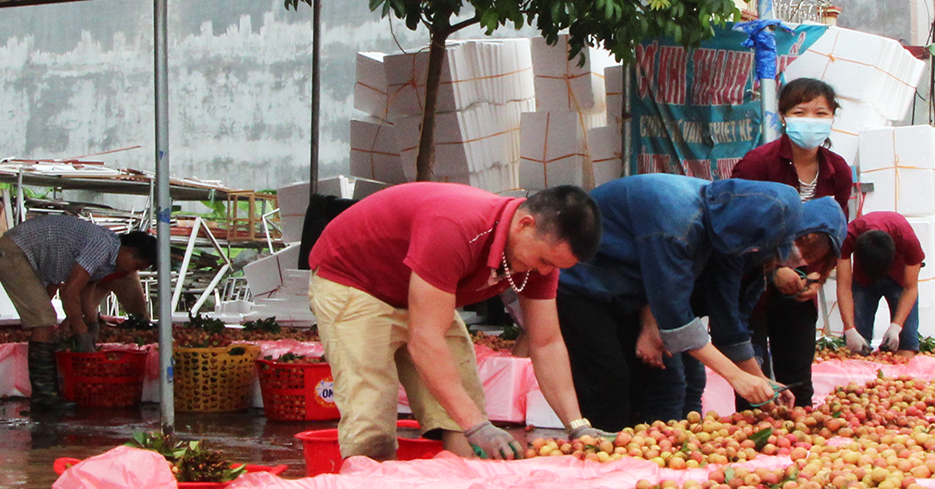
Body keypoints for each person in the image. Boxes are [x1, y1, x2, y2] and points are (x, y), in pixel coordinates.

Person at [308, 182, 605, 461]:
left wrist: (577, 426)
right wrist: (477, 426)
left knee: (465, 403)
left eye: (554, 266)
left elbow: (546, 343)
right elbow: (425, 340)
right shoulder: (456, 227)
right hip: (355, 280)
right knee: (370, 413)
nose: (544, 272)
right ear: (525, 224)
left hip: (420, 292)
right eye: (544, 261)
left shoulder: (537, 261)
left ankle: (464, 476)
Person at [555, 174, 805, 431]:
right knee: (607, 380)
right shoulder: (677, 223)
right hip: (579, 283)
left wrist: (760, 380)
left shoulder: (719, 220)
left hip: (626, 295)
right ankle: (603, 458)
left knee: (655, 384)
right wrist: (736, 376)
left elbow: (726, 319)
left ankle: (637, 455)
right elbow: (675, 321)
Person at [0, 215, 157, 412]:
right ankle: (44, 397)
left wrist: (91, 323)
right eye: (136, 266)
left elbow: (85, 292)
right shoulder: (102, 246)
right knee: (44, 320)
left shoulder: (108, 259)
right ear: (130, 251)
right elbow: (69, 292)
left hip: (27, 252)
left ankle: (46, 394)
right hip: (15, 250)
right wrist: (81, 331)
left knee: (44, 319)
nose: (131, 273)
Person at [732, 197, 846, 410]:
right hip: (751, 304)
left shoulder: (824, 241)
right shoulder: (764, 228)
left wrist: (815, 281)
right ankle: (753, 424)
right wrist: (773, 271)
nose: (804, 257)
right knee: (753, 380)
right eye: (807, 247)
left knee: (798, 379)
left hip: (795, 307)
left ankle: (801, 421)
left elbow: (824, 264)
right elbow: (737, 266)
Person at [730, 77, 852, 216]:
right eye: (799, 113)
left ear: (832, 118)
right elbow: (735, 215)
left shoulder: (838, 169)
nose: (810, 120)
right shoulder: (758, 162)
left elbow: (840, 225)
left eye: (821, 114)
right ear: (783, 117)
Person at [837, 211, 924, 359]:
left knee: (906, 342)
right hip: (863, 281)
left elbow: (910, 288)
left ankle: (901, 372)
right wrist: (850, 328)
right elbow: (843, 286)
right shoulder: (848, 237)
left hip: (899, 279)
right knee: (857, 347)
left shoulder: (907, 239)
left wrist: (897, 326)